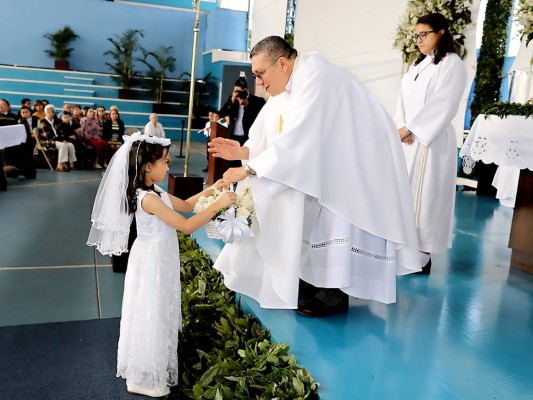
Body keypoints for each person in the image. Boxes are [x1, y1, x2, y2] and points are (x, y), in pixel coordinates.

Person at [209, 36, 421, 317]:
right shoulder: (287, 85)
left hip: (362, 160)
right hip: (337, 161)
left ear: (282, 63)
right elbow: (274, 135)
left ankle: (336, 292)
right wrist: (245, 151)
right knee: (311, 214)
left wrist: (249, 169)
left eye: (260, 74)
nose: (257, 82)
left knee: (339, 218)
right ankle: (316, 280)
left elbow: (299, 138)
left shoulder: (317, 78)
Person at [87, 132, 236, 397]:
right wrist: (219, 205)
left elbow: (187, 205)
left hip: (160, 255)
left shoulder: (155, 190)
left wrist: (214, 189)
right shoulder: (148, 198)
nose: (169, 166)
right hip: (152, 259)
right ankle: (144, 377)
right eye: (165, 162)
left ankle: (148, 372)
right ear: (147, 166)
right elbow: (187, 225)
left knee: (158, 309)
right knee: (151, 311)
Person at [393, 13, 467, 274]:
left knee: (426, 198)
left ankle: (422, 255)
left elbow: (445, 102)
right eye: (416, 35)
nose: (419, 39)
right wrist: (401, 128)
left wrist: (413, 128)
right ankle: (404, 248)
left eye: (424, 34)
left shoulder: (452, 64)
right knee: (406, 192)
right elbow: (402, 98)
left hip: (431, 141)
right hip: (408, 139)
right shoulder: (418, 64)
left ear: (442, 33)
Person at [41, 104, 77, 171]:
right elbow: (48, 136)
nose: (51, 113)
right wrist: (61, 140)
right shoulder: (43, 122)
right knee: (63, 145)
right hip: (48, 141)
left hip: (58, 140)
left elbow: (60, 132)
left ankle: (72, 164)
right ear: (45, 113)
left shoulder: (56, 121)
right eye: (49, 112)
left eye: (53, 112)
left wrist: (62, 139)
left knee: (70, 145)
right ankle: (59, 165)